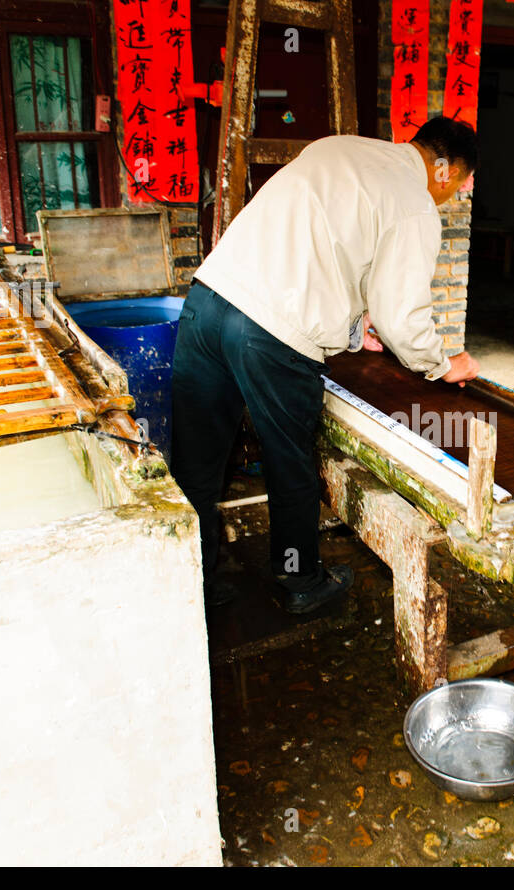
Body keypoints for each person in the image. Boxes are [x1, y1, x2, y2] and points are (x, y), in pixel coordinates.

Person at [170, 116, 482, 615]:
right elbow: (403, 316)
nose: (451, 197)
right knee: (288, 461)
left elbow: (319, 254)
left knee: (196, 461)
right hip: (268, 336)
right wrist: (440, 364)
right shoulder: (415, 203)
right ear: (446, 171)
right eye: (459, 187)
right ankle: (301, 582)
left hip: (209, 302)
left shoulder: (340, 147)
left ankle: (192, 582)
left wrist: (358, 331)